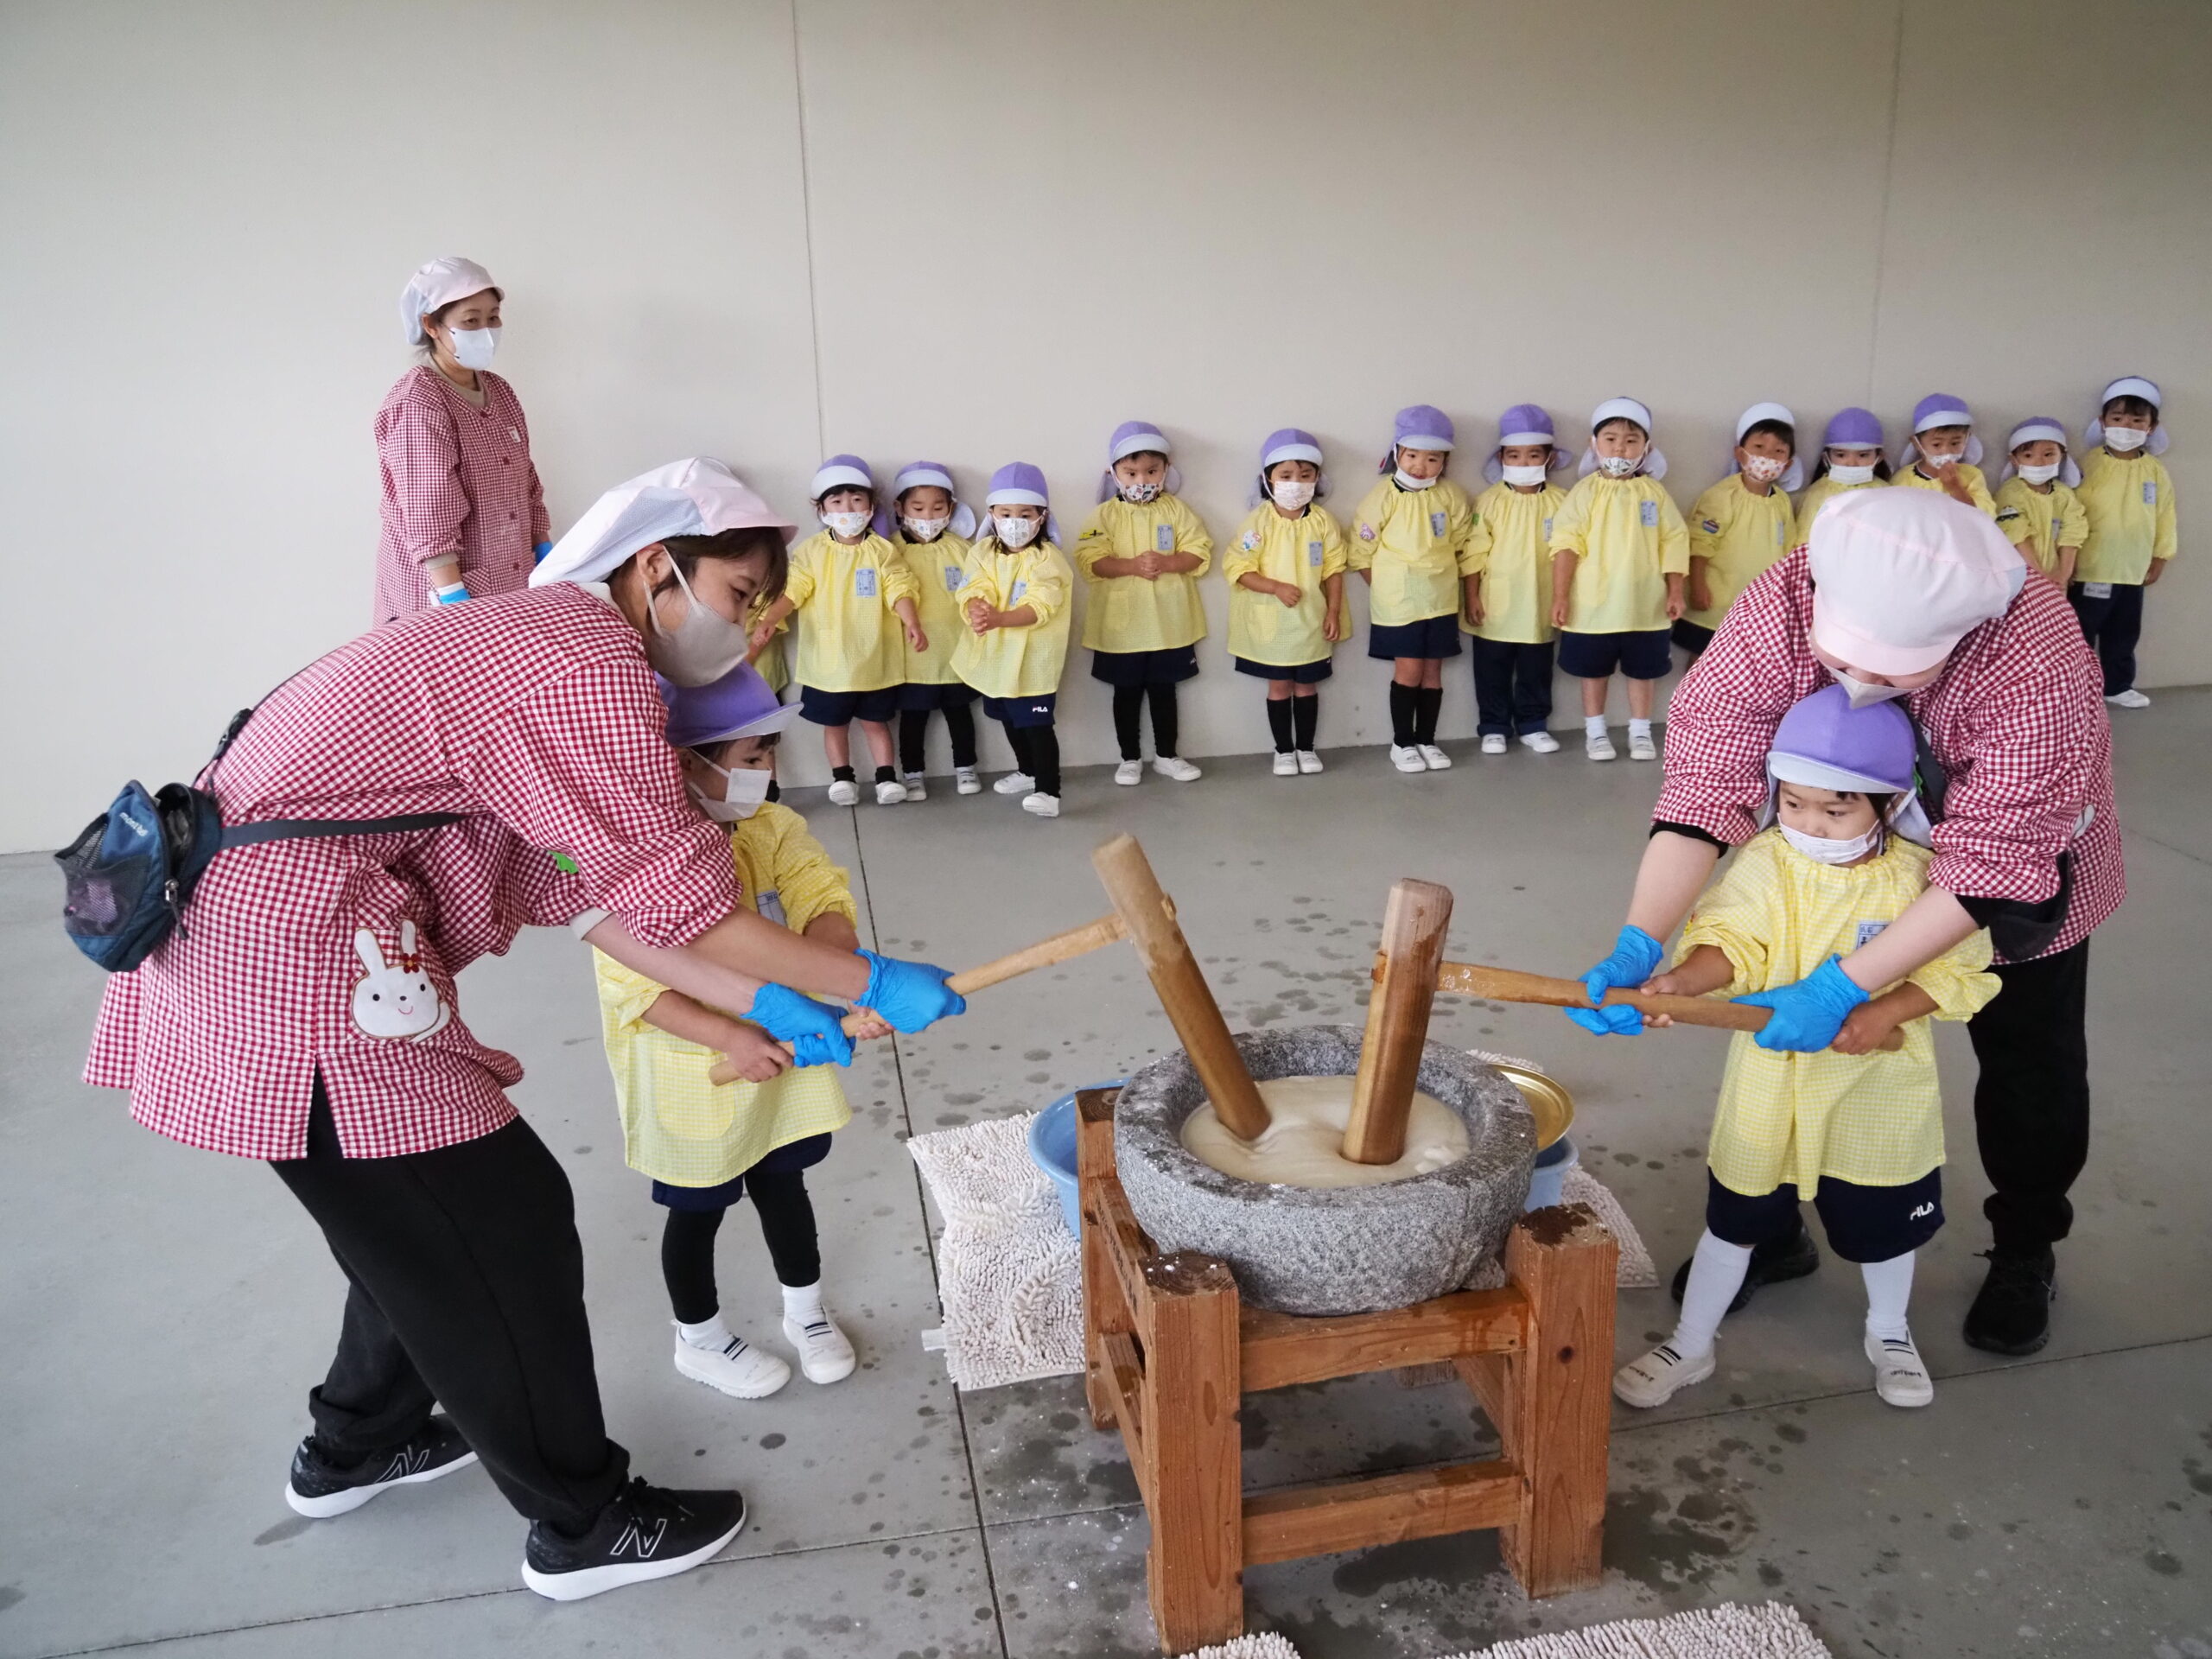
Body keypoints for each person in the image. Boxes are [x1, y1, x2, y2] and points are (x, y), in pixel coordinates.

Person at [86, 456, 965, 1601]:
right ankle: (581, 1522)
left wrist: (768, 1000)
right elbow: (683, 898)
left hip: (268, 929)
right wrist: (868, 976)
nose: (748, 626)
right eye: (740, 595)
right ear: (656, 567)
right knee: (498, 1223)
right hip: (295, 955)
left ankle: (358, 1441)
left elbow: (597, 900)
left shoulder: (543, 642)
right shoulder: (585, 662)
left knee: (414, 1219)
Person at [1572, 486, 2120, 1358]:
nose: (1860, 684)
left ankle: (2026, 1243)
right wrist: (1643, 940)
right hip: (1818, 876)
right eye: (1843, 658)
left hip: (2001, 882)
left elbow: (1989, 864)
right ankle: (1770, 1229)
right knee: (1787, 1062)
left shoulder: (2036, 652)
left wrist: (1843, 988)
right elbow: (1708, 775)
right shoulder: (1788, 592)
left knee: (2030, 1067)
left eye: (1894, 672)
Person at [1609, 687, 1999, 1413]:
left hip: (1875, 1088)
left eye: (1835, 810)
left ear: (1890, 802)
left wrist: (1886, 1012)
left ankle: (1889, 1332)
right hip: (1771, 1086)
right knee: (1735, 1221)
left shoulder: (1921, 878)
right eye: (1792, 803)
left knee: (1884, 1228)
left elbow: (1959, 969)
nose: (1809, 824)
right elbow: (1731, 942)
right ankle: (1691, 1342)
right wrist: (1679, 984)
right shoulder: (1767, 861)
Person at [594, 664, 885, 1401]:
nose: (768, 772)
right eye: (752, 757)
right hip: (693, 1075)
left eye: (770, 755)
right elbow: (638, 991)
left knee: (783, 1183)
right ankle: (698, 1338)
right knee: (698, 1209)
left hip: (778, 1064)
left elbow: (821, 897)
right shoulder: (634, 862)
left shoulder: (772, 828)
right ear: (684, 763)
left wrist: (846, 975)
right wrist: (730, 1038)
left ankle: (805, 1310)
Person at [374, 257, 549, 622]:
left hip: (510, 580)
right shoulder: (419, 401)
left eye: (493, 317)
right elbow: (429, 508)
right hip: (444, 594)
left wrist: (545, 552)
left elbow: (527, 483)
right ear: (432, 326)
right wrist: (453, 598)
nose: (486, 330)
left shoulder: (500, 392)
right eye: (471, 320)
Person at [749, 456, 925, 807]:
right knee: (835, 725)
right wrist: (769, 619)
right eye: (837, 501)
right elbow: (793, 591)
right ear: (822, 509)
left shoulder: (882, 550)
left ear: (871, 506)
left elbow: (899, 587)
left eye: (857, 500)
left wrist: (912, 621)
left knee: (876, 723)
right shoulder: (811, 552)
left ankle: (886, 778)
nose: (848, 509)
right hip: (828, 663)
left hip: (874, 659)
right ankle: (842, 778)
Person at [1548, 397, 1688, 762]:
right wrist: (1561, 596)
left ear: (1646, 447)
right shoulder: (1584, 492)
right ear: (1594, 444)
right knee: (1593, 673)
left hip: (1646, 606)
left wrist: (1675, 591)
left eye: (1630, 440)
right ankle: (1595, 732)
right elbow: (1565, 545)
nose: (1620, 448)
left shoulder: (1654, 493)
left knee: (1643, 673)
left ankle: (1640, 731)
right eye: (1610, 439)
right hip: (1592, 606)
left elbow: (1674, 541)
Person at [1074, 423, 1211, 785]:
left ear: (1166, 471)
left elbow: (1199, 551)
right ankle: (1129, 758)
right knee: (1126, 692)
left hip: (1169, 623)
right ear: (1114, 473)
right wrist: (1131, 567)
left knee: (1165, 691)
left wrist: (1169, 562)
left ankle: (1167, 755)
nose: (1142, 480)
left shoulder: (1177, 510)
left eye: (1151, 471)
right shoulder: (1103, 515)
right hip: (1121, 626)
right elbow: (1090, 560)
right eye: (1131, 472)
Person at [1347, 404, 1479, 772]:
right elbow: (1361, 552)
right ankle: (1403, 742)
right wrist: (1386, 589)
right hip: (1399, 603)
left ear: (1445, 461)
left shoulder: (1451, 496)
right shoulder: (1382, 496)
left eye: (1432, 458)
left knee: (1433, 672)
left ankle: (1427, 740)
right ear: (1397, 453)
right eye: (1412, 456)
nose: (1421, 466)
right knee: (1409, 670)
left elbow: (1463, 543)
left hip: (1440, 600)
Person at [1223, 429, 1348, 775]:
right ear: (1269, 479)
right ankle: (1283, 751)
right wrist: (1275, 587)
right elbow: (1238, 568)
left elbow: (1334, 569)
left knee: (1307, 686)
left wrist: (1334, 611)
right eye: (1286, 475)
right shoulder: (1258, 523)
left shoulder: (1323, 522)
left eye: (1305, 475)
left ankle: (1306, 748)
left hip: (1311, 622)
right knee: (1279, 686)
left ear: (1317, 478)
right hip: (1272, 626)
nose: (1296, 483)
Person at [956, 463, 1073, 819]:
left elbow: (1041, 605)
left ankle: (1049, 791)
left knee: (1037, 725)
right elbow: (972, 585)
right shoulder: (982, 552)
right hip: (996, 657)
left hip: (1034, 661)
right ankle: (1027, 771)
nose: (1014, 522)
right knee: (1009, 719)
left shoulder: (1048, 558)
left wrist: (999, 619)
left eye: (1025, 514)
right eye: (1006, 514)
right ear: (992, 513)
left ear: (1042, 516)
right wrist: (975, 607)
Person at [1463, 404, 1570, 755]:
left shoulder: (1562, 502)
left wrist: (1565, 596)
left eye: (1533, 455)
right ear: (1501, 458)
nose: (1523, 462)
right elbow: (1473, 553)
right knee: (1491, 668)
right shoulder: (1489, 501)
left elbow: (1571, 551)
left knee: (1536, 667)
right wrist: (1472, 596)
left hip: (1541, 599)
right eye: (1514, 455)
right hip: (1495, 601)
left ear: (1549, 459)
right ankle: (1494, 725)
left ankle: (1533, 724)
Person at [2072, 376, 2178, 710]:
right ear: (2103, 422)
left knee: (2124, 632)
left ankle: (2117, 685)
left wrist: (2161, 555)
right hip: (2093, 566)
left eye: (2136, 421)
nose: (2126, 427)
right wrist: (2067, 558)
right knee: (2083, 630)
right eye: (2117, 419)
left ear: (2151, 427)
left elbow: (2165, 513)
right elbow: (2070, 511)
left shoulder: (2155, 470)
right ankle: (2078, 689)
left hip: (2133, 568)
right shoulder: (2088, 464)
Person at [889, 461, 984, 797]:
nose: (928, 516)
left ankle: (966, 767)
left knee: (960, 714)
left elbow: (981, 586)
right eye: (918, 508)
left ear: (951, 508)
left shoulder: (962, 549)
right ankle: (912, 773)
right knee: (913, 718)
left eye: (938, 508)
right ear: (899, 508)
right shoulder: (889, 550)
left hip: (956, 650)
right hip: (912, 655)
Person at [1677, 404, 1799, 657]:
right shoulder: (1722, 496)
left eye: (1778, 451)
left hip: (1760, 609)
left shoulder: (1782, 502)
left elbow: (1788, 551)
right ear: (1740, 454)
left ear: (1787, 464)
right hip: (1716, 604)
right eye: (1759, 447)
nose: (1768, 456)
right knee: (1703, 662)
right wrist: (1698, 586)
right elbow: (1700, 544)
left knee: (1745, 666)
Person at [1993, 416, 2087, 589]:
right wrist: (2040, 576)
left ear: (2062, 456)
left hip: (2055, 582)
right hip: (2022, 579)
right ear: (2014, 460)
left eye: (2048, 454)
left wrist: (2063, 574)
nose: (2039, 462)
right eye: (2028, 456)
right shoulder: (2011, 492)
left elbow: (2073, 532)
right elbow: (2016, 534)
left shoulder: (2064, 494)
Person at [1794, 407, 1890, 533]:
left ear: (1880, 457)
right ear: (1826, 457)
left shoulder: (1886, 493)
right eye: (1841, 455)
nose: (1852, 463)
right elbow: (1805, 538)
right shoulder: (1816, 494)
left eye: (1863, 455)